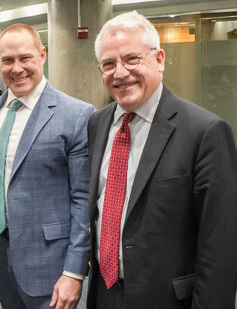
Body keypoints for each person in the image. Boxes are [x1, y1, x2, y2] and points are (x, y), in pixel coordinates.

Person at [87, 11, 237, 309]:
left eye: (131, 59)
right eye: (108, 64)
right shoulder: (97, 124)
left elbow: (221, 245)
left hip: (168, 300)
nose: (119, 72)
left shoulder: (205, 131)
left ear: (159, 60)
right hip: (104, 293)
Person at [0, 23, 95, 309]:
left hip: (50, 262)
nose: (17, 68)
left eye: (25, 58)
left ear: (42, 55)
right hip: (0, 251)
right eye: (7, 60)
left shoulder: (76, 114)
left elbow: (82, 201)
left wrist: (74, 271)